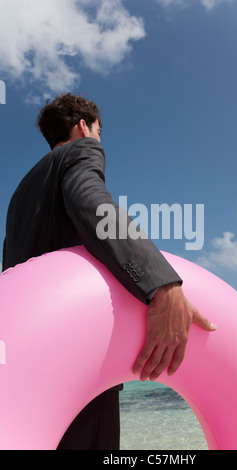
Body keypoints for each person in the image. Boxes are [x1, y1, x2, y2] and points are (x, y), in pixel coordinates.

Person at [2, 93, 216, 450]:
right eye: (99, 131)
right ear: (83, 127)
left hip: (26, 356)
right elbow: (94, 206)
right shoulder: (83, 150)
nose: (99, 139)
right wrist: (161, 285)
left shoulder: (19, 195)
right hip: (81, 353)